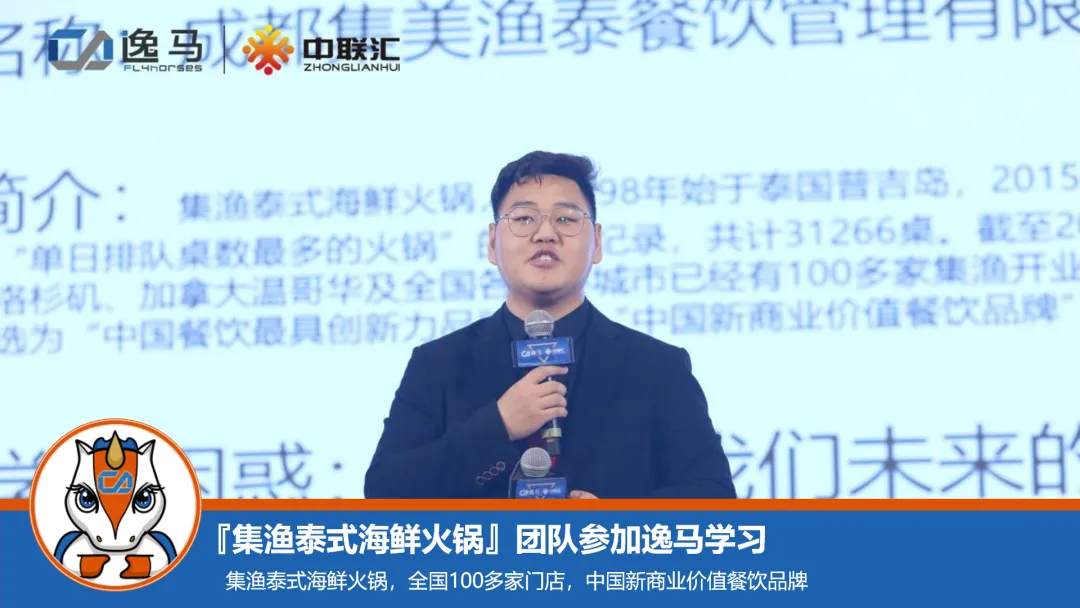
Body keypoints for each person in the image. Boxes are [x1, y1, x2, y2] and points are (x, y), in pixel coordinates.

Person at [364, 151, 737, 499]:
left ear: (597, 243)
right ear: (492, 243)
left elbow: (713, 496)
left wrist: (616, 524)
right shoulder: (437, 364)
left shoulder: (657, 366)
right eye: (524, 219)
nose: (545, 234)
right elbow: (385, 492)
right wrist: (498, 426)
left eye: (566, 219)